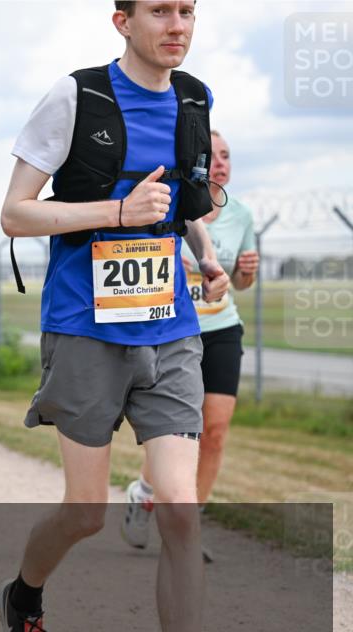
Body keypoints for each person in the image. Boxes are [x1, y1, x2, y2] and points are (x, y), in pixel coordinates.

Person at [0, 2, 229, 632]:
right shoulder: (77, 95)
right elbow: (14, 214)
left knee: (180, 507)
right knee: (85, 511)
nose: (178, 24)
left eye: (187, 11)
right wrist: (117, 211)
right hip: (85, 328)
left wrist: (207, 259)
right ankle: (24, 596)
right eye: (161, 10)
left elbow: (181, 199)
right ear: (122, 21)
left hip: (171, 329)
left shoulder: (194, 98)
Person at [121, 130, 259, 562]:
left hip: (221, 329)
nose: (220, 163)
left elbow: (238, 282)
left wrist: (245, 274)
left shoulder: (241, 216)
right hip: (174, 330)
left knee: (214, 433)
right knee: (179, 430)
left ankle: (186, 529)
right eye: (212, 155)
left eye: (226, 156)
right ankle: (144, 492)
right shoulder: (172, 203)